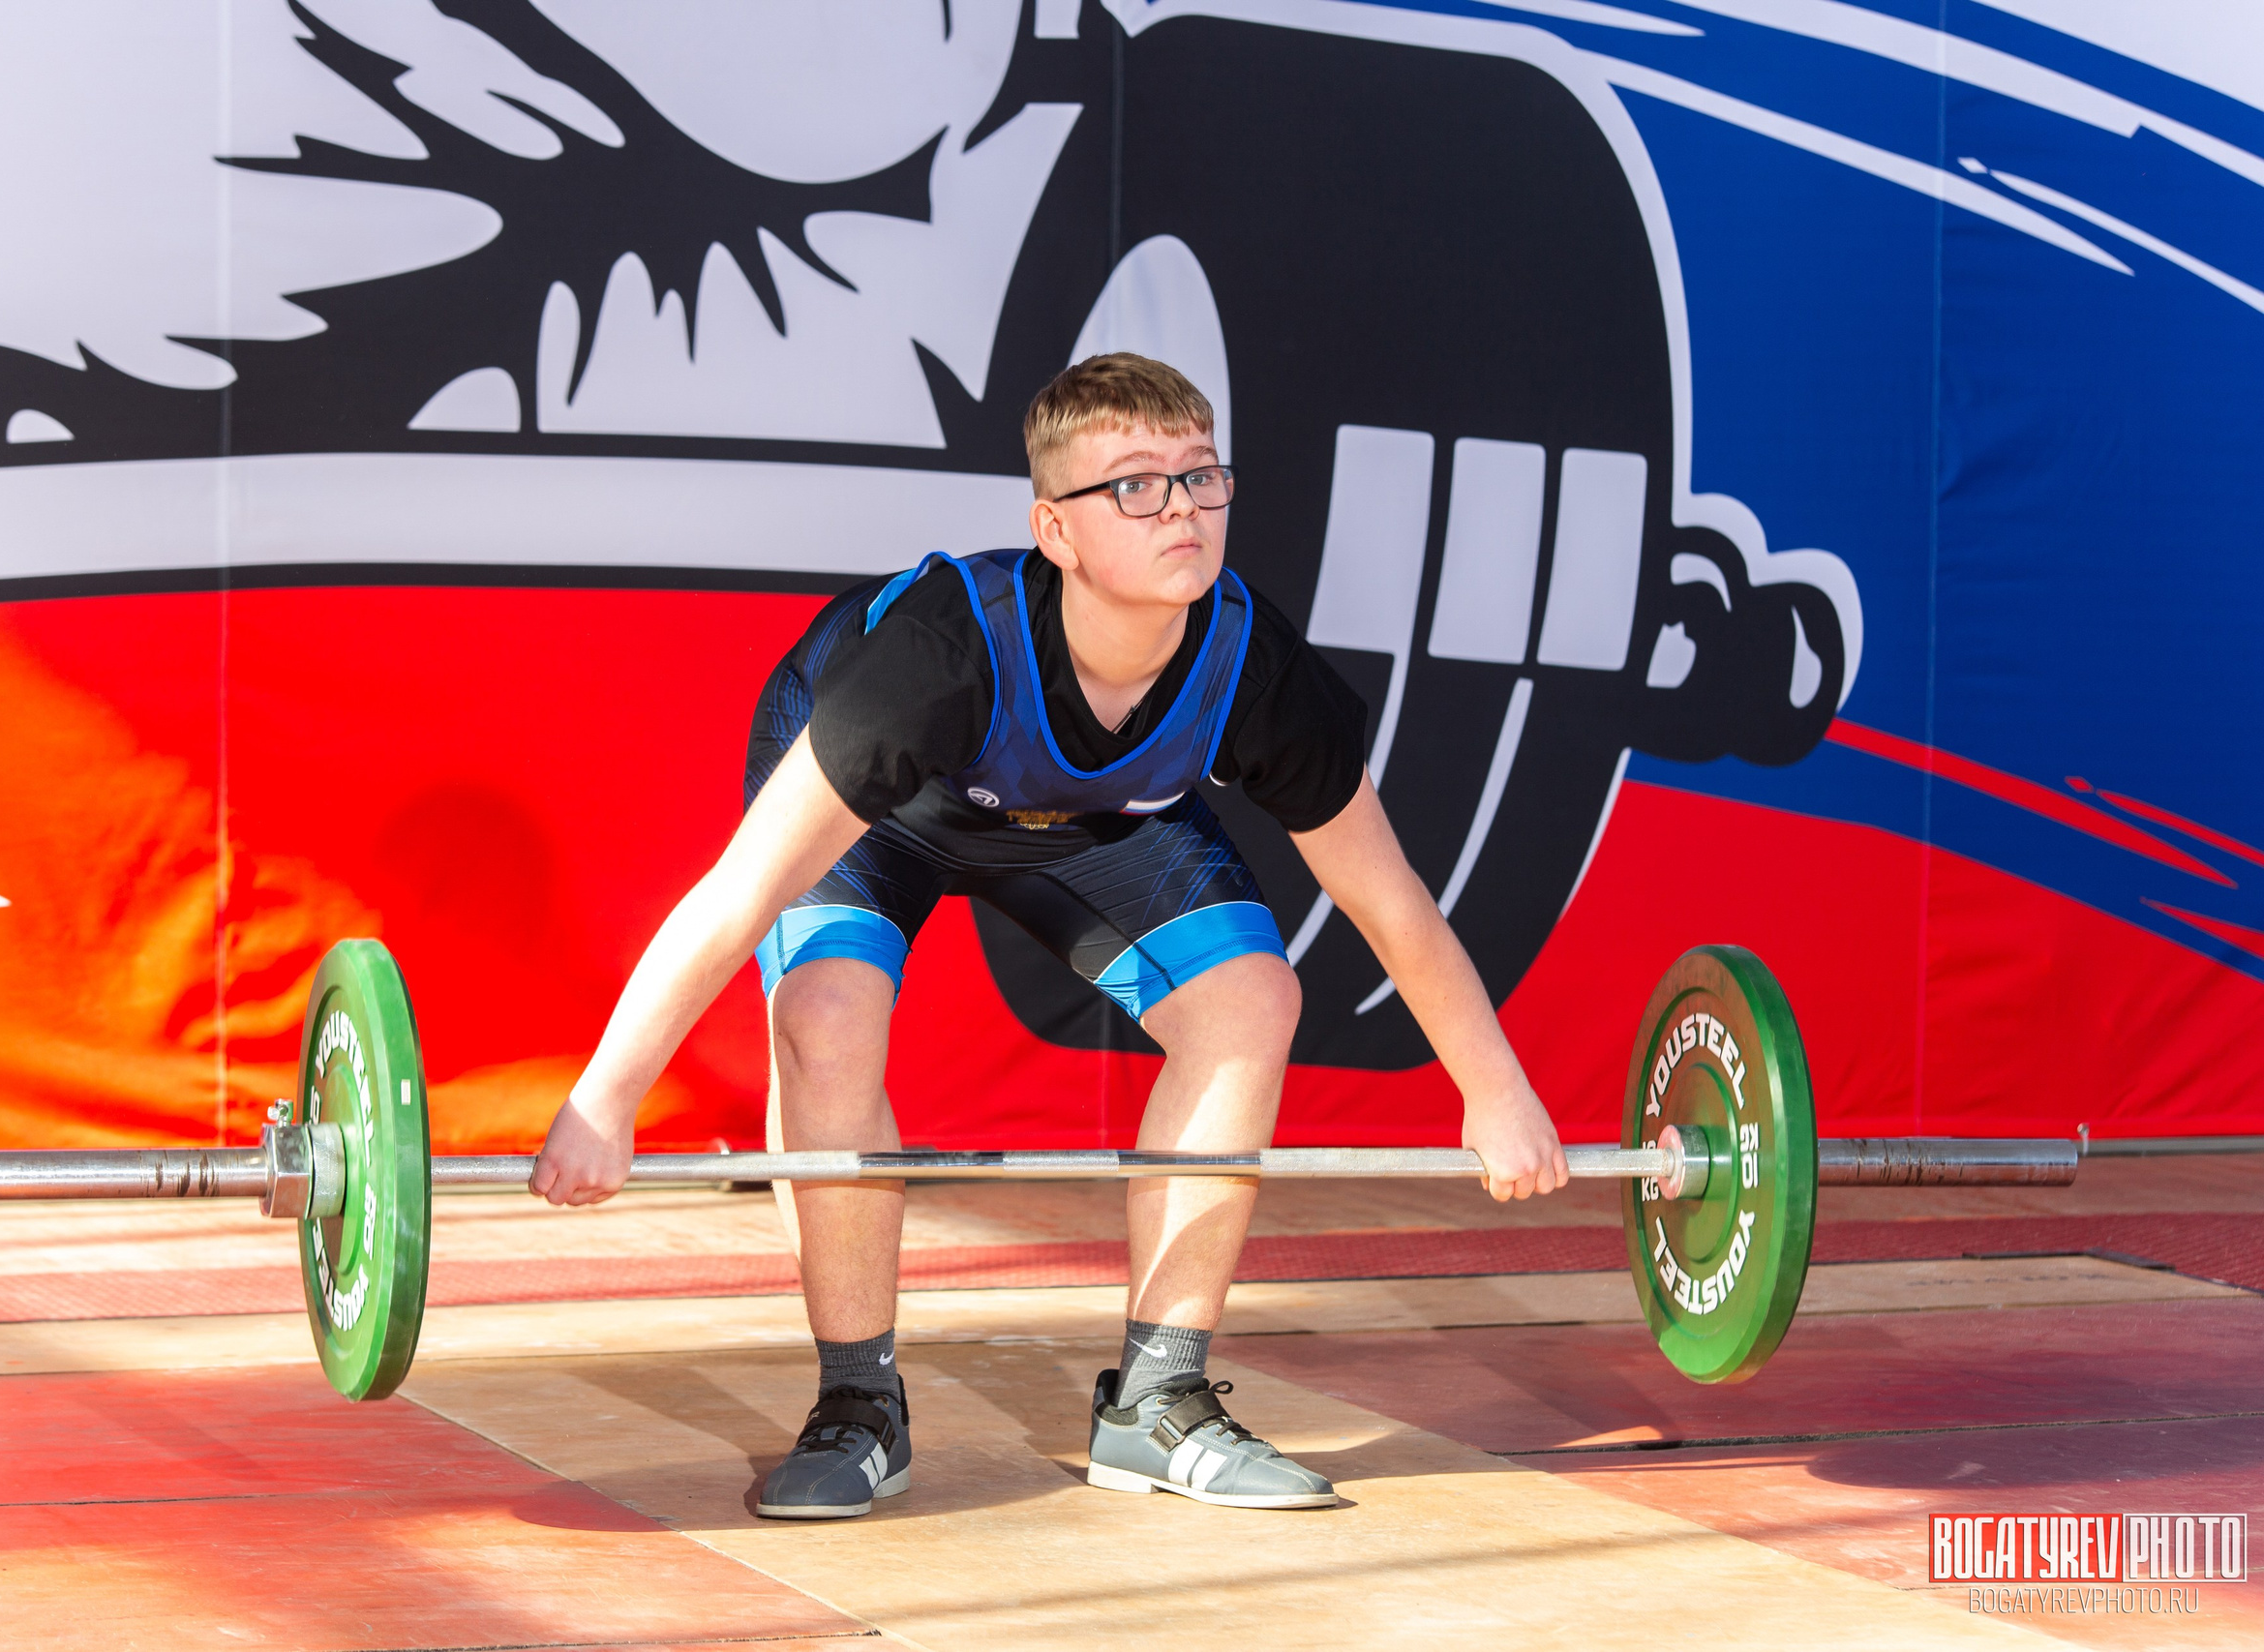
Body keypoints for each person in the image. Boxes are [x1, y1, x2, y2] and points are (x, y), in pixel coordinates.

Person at [530, 353, 1567, 1517]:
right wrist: (606, 1101)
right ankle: (857, 1405)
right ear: (1054, 531)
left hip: (1083, 824)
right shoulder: (935, 658)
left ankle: (1160, 1403)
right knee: (825, 1012)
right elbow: (738, 894)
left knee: (1249, 1000)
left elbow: (1391, 904)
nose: (1179, 508)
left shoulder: (1256, 669)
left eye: (1198, 476)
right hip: (885, 811)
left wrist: (1495, 1091)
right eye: (1134, 485)